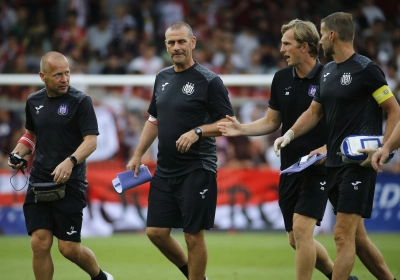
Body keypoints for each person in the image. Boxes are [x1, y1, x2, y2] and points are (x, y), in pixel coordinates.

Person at [218, 19, 349, 280]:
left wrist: (325, 148)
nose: (281, 49)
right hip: (290, 167)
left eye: (286, 44)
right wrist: (241, 129)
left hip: (321, 167)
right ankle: (339, 275)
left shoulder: (330, 77)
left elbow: (345, 126)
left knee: (302, 232)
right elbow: (271, 122)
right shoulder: (280, 79)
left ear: (305, 46)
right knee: (295, 239)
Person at [273, 12, 398, 280]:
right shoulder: (328, 71)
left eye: (320, 33)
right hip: (333, 165)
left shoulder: (367, 70)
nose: (318, 40)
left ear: (331, 35)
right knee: (358, 239)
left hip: (358, 164)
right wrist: (290, 134)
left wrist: (385, 148)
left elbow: (394, 111)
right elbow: (314, 112)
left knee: (341, 235)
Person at [126, 21, 234, 280]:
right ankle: (195, 274)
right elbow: (154, 119)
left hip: (197, 167)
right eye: (171, 43)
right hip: (165, 169)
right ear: (166, 46)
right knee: (155, 232)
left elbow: (229, 125)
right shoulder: (162, 77)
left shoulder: (209, 81)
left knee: (192, 235)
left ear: (193, 43)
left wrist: (197, 132)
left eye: (181, 41)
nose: (176, 47)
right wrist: (138, 153)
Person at [7, 51, 113, 280]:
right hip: (40, 180)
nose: (65, 79)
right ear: (42, 76)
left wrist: (70, 161)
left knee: (68, 249)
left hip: (70, 182)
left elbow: (91, 141)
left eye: (67, 73)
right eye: (58, 75)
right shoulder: (33, 101)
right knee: (39, 242)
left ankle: (101, 277)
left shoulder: (81, 101)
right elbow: (31, 135)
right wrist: (17, 153)